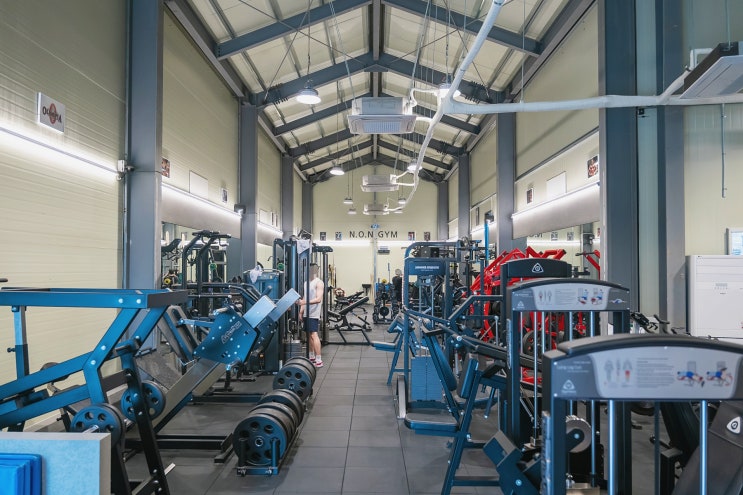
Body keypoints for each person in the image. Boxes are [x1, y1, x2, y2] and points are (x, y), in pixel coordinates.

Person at [297, 263, 324, 368]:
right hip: (306, 312)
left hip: (314, 313)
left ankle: (319, 359)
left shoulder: (319, 283)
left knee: (314, 334)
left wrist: (303, 303)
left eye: (313, 269)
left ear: (316, 270)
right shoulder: (306, 283)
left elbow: (318, 299)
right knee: (308, 335)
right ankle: (311, 357)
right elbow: (305, 297)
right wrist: (301, 311)